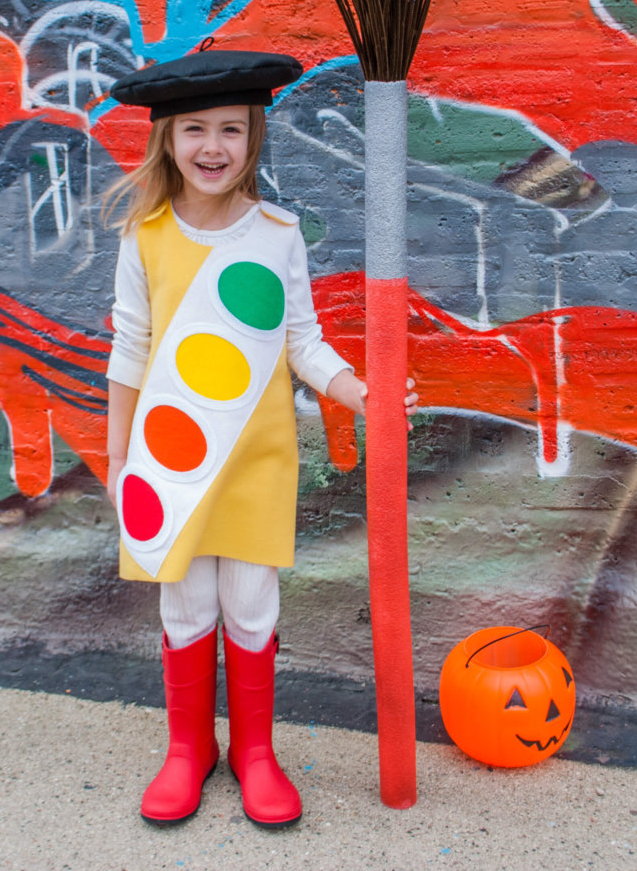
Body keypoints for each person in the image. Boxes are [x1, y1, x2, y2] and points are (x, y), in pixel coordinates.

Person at [104, 43, 418, 828]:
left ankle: (254, 753)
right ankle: (188, 750)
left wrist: (360, 389)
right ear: (167, 141)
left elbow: (303, 341)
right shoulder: (143, 236)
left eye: (232, 131)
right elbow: (130, 352)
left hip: (256, 459)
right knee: (187, 607)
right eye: (195, 130)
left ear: (254, 140)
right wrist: (116, 458)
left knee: (248, 606)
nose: (213, 147)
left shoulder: (277, 233)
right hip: (171, 465)